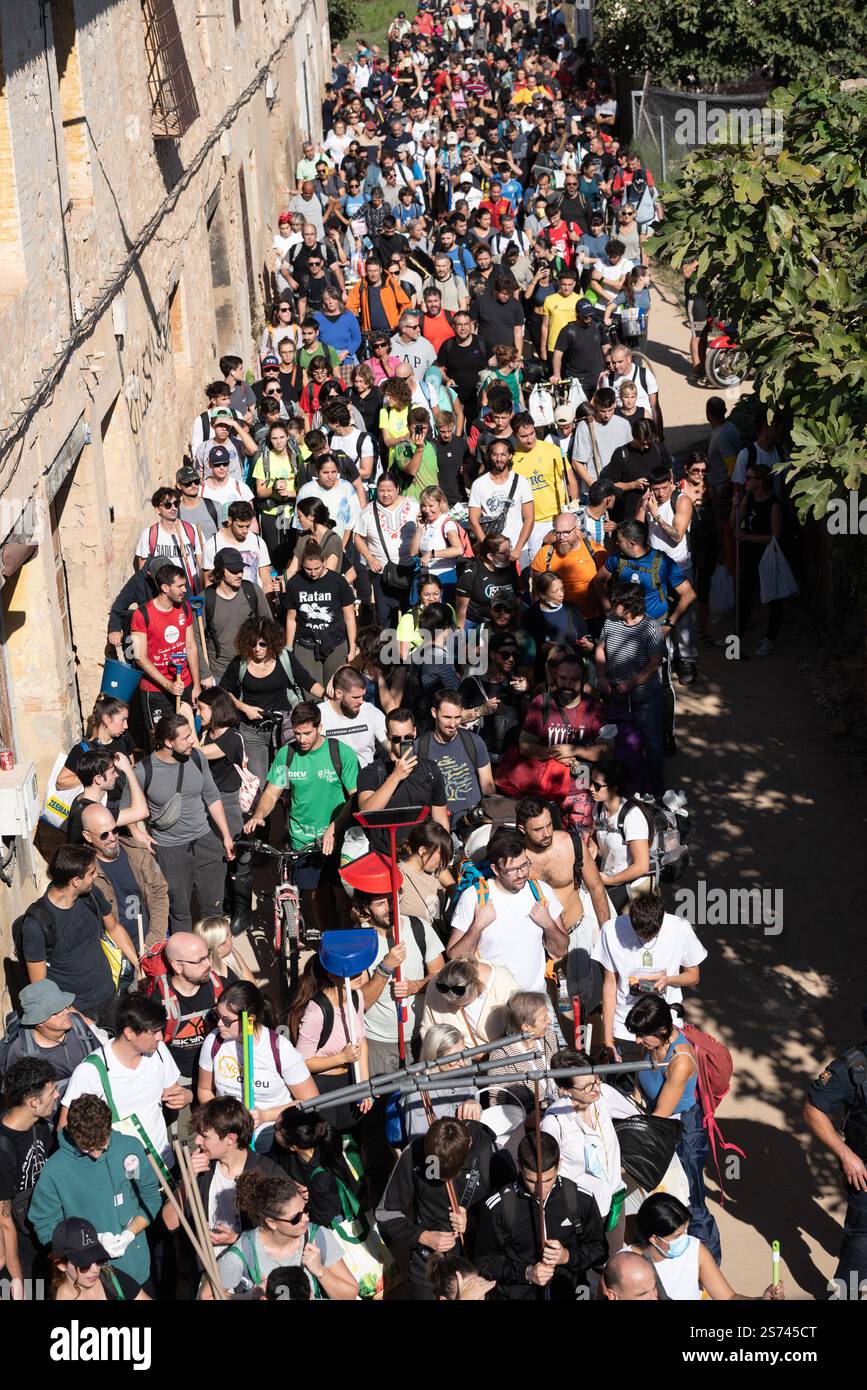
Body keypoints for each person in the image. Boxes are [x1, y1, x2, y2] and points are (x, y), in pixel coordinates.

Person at [243, 702, 359, 932]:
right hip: (302, 842)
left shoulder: (340, 753)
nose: (302, 739)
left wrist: (335, 828)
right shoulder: (287, 754)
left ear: (320, 727)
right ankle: (327, 939)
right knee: (318, 895)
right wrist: (259, 814)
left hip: (337, 840)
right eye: (297, 733)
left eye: (308, 733)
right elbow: (271, 792)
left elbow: (355, 798)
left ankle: (342, 942)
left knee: (343, 897)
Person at [626, 992, 721, 1263]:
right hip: (656, 1117)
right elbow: (641, 1073)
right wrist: (635, 1097)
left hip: (683, 1132)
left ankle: (710, 1264)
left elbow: (661, 1116)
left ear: (663, 1031)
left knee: (692, 1201)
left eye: (641, 1036)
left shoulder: (680, 1062)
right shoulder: (654, 1040)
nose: (636, 1041)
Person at [30, 1094, 161, 1290]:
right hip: (89, 1281)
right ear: (74, 1137)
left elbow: (150, 1197)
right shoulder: (55, 1169)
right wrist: (89, 1243)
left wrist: (129, 1235)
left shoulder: (129, 1147)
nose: (96, 1155)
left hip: (137, 1269)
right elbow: (45, 1225)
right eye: (87, 1150)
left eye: (102, 1147)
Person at [60, 991, 191, 1177]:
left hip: (162, 1163)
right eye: (153, 1032)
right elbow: (64, 1128)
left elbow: (174, 1090)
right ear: (129, 1032)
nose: (161, 1037)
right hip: (121, 1172)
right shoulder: (91, 1071)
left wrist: (187, 1096)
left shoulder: (159, 1051)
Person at [17, 844, 138, 1031]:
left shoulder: (90, 896)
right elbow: (41, 988)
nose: (95, 876)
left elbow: (113, 927)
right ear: (75, 880)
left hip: (113, 996)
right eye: (91, 873)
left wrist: (139, 965)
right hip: (79, 1012)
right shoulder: (36, 925)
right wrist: (80, 1019)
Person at [133, 712, 235, 935]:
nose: (193, 740)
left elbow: (212, 795)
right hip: (170, 850)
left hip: (206, 841)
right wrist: (138, 834)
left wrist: (226, 836)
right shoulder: (143, 771)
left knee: (213, 910)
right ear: (169, 742)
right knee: (179, 911)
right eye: (187, 737)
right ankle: (185, 964)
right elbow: (127, 808)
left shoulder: (197, 757)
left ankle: (215, 961)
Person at [376, 1117, 499, 1300]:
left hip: (473, 1267)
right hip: (428, 1268)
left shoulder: (492, 1154)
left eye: (444, 1175)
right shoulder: (415, 1151)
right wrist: (423, 1236)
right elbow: (385, 1213)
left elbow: (507, 1220)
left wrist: (473, 1220)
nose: (435, 1177)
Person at [474, 1131, 607, 1300]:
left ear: (559, 1164)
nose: (540, 1190)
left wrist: (568, 1256)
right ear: (519, 1166)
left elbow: (599, 1249)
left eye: (548, 1180)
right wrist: (526, 1273)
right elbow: (484, 1262)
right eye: (532, 1181)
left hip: (570, 1294)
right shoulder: (498, 1207)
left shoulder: (580, 1199)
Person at [197, 982, 317, 1153]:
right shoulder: (214, 1042)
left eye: (227, 1020)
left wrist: (265, 1115)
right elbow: (204, 1089)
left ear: (250, 1020)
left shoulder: (280, 1049)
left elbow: (310, 1102)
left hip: (271, 1146)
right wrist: (222, 1122)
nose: (219, 1025)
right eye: (217, 1016)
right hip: (229, 1145)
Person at [447, 828, 569, 995]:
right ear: (495, 869)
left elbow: (561, 950)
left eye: (524, 865)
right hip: (491, 1003)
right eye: (511, 870)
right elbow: (454, 956)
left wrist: (548, 924)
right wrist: (477, 926)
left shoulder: (541, 891)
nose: (521, 875)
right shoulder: (473, 897)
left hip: (534, 1000)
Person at [593, 891, 707, 1066]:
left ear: (662, 919)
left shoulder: (680, 929)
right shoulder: (610, 930)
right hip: (626, 1028)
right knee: (628, 1085)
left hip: (664, 1026)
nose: (646, 939)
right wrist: (608, 1040)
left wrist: (668, 980)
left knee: (662, 1083)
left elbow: (694, 976)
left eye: (652, 935)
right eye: (640, 934)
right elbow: (610, 985)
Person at [165, 1099, 282, 1263]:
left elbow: (286, 1233)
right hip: (209, 1271)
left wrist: (238, 1239)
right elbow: (170, 1222)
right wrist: (187, 1179)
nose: (197, 1141)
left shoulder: (268, 1174)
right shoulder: (202, 1169)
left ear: (230, 1139)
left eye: (204, 1136)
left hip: (253, 1273)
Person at [210, 1170, 357, 1299]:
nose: (306, 1218)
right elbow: (207, 1296)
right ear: (272, 1222)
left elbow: (350, 1294)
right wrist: (249, 1296)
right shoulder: (242, 1254)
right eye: (296, 1218)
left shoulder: (318, 1237)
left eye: (306, 1209)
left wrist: (321, 1272)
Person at [803, 1009, 867, 1298]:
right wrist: (846, 1155)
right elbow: (813, 1110)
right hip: (864, 1165)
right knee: (862, 1235)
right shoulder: (850, 1069)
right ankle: (846, 1294)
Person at [352, 881, 445, 1077]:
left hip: (421, 1036)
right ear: (366, 908)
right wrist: (385, 967)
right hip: (379, 1042)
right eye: (380, 903)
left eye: (391, 899)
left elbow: (441, 977)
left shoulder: (420, 927)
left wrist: (416, 986)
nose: (389, 908)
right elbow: (361, 1002)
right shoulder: (359, 940)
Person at [518, 652, 611, 831]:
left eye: (574, 679)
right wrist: (554, 753)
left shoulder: (594, 708)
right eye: (563, 678)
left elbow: (608, 750)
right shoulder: (541, 703)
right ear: (554, 677)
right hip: (545, 790)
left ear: (584, 680)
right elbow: (524, 746)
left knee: (581, 848)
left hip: (583, 790)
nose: (567, 684)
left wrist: (574, 750)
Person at [631, 1194, 784, 1301]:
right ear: (654, 1239)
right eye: (678, 1235)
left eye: (685, 1230)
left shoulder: (694, 1249)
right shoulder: (625, 1267)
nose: (686, 1238)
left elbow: (728, 1297)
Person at [595, 585, 667, 798]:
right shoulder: (610, 620)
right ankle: (622, 787)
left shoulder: (650, 628)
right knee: (619, 742)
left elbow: (655, 661)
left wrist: (633, 683)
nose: (612, 604)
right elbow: (601, 647)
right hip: (616, 695)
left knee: (652, 742)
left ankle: (655, 791)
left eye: (616, 601)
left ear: (629, 606)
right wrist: (600, 675)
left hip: (645, 697)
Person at [287, 954, 371, 1133]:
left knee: (355, 1136)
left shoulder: (357, 997)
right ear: (332, 976)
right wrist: (341, 1058)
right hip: (323, 1086)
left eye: (360, 971)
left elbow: (361, 1041)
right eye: (352, 974)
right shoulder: (317, 1011)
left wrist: (365, 1085)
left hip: (351, 1079)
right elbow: (302, 1062)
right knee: (327, 1139)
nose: (360, 976)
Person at [0, 1057, 58, 1294]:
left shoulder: (40, 1125)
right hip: (21, 1252)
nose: (57, 1096)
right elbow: (4, 1222)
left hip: (44, 1237)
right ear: (33, 1101)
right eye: (52, 1091)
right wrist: (16, 1281)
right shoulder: (2, 1148)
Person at [357, 706, 450, 849]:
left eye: (408, 737)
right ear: (387, 735)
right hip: (385, 855)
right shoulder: (372, 772)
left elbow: (440, 818)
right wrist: (395, 777)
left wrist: (442, 852)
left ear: (415, 731)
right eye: (396, 739)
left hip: (420, 855)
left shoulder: (430, 770)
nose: (402, 743)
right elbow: (367, 813)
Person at [637, 466, 698, 685]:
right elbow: (637, 530)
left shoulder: (682, 501)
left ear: (671, 481)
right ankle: (666, 658)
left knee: (685, 616)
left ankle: (688, 659)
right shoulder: (649, 501)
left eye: (664, 487)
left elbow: (676, 536)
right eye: (656, 489)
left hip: (680, 566)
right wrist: (643, 506)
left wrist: (656, 515)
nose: (661, 493)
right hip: (655, 568)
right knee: (658, 614)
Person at [81, 803, 170, 951]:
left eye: (115, 830)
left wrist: (154, 939)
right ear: (88, 836)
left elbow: (160, 892)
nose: (112, 838)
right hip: (112, 951)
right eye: (104, 835)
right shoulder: (82, 868)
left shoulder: (139, 854)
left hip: (146, 943)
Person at [2, 981, 101, 1109]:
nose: (66, 1011)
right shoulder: (22, 1052)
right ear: (39, 1021)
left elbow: (102, 1059)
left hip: (94, 1104)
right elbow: (12, 1100)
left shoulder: (76, 1024)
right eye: (56, 1011)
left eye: (65, 1006)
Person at [129, 562, 201, 735]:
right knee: (160, 739)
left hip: (184, 685)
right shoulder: (141, 615)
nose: (185, 590)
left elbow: (190, 647)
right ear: (165, 587)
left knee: (186, 736)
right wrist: (168, 685)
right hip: (156, 692)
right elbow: (140, 657)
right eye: (180, 586)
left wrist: (196, 685)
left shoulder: (184, 607)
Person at [415, 690, 495, 829]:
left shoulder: (474, 742)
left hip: (472, 823)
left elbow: (488, 788)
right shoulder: (419, 747)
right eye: (447, 717)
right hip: (435, 826)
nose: (453, 724)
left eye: (457, 717)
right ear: (434, 713)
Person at [284, 541, 358, 691]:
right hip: (305, 644)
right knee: (311, 694)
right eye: (308, 569)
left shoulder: (338, 582)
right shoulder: (294, 584)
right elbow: (291, 618)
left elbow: (349, 617)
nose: (313, 573)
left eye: (317, 568)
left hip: (335, 642)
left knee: (337, 690)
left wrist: (352, 648)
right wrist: (289, 648)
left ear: (324, 561)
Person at [353, 473, 420, 628]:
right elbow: (358, 537)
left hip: (409, 569)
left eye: (389, 490)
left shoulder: (413, 506)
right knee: (384, 616)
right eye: (382, 490)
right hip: (382, 572)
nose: (385, 494)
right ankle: (388, 650)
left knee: (411, 614)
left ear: (397, 489)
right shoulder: (368, 511)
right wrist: (370, 558)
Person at [733, 461, 785, 657]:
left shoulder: (774, 505)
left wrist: (748, 537)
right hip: (749, 554)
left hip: (767, 555)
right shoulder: (749, 498)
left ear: (761, 482)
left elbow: (775, 536)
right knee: (744, 593)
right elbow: (734, 524)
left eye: (750, 478)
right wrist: (735, 507)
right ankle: (738, 635)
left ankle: (770, 638)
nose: (745, 481)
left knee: (772, 597)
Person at [399, 1026, 483, 1139]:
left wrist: (473, 1101)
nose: (462, 1062)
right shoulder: (418, 1094)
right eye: (455, 1057)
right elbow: (421, 1145)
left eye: (464, 1054)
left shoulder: (464, 1071)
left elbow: (475, 1096)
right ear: (434, 1057)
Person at [421, 957, 519, 1049]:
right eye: (448, 1002)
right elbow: (427, 1030)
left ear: (477, 986)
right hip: (455, 1063)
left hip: (499, 1060)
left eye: (462, 1004)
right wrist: (448, 1052)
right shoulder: (436, 986)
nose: (454, 1007)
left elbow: (520, 1032)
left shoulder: (504, 986)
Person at [48, 1217, 150, 1302]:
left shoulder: (110, 1277)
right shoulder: (45, 1295)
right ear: (61, 1264)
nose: (95, 1269)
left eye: (99, 1260)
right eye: (84, 1264)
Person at [529, 511, 606, 621]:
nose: (561, 537)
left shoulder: (596, 551)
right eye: (557, 533)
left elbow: (609, 584)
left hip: (593, 618)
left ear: (577, 530)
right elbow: (537, 592)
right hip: (558, 620)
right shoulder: (545, 554)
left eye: (566, 532)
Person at [193, 915, 256, 985]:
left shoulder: (232, 953)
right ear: (219, 947)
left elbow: (252, 984)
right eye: (230, 937)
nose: (232, 940)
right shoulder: (207, 979)